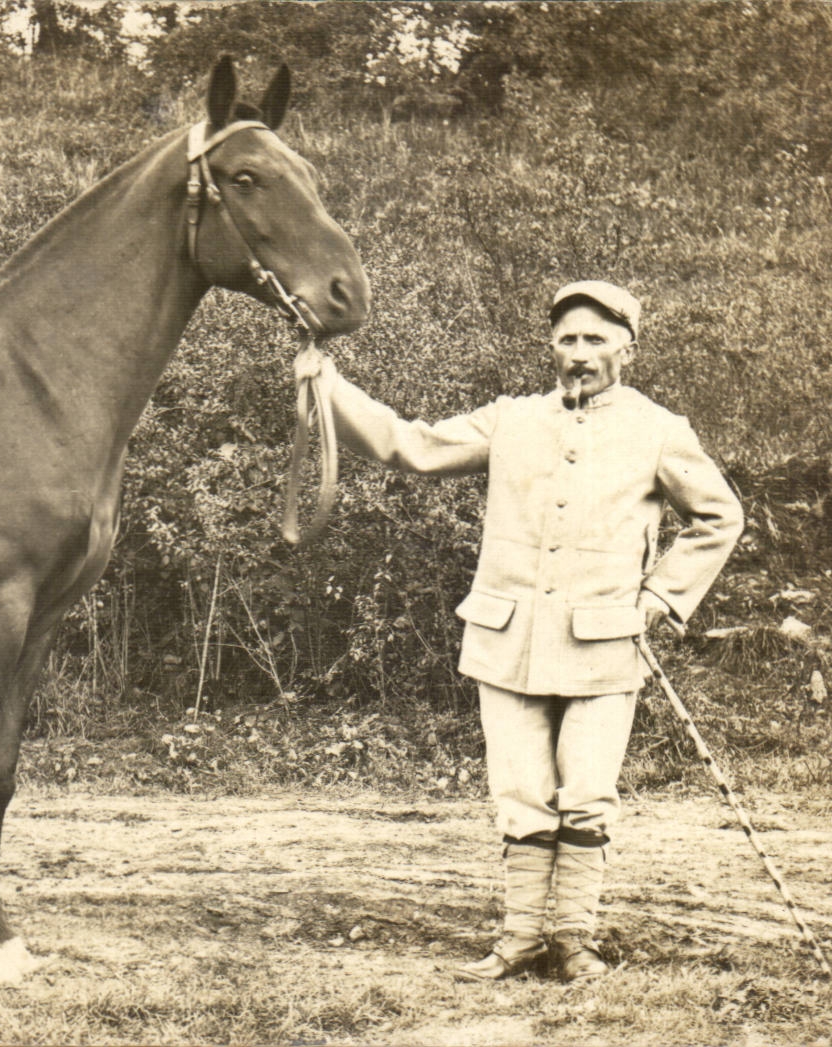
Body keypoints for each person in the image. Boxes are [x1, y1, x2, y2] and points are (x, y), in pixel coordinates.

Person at [297, 280, 744, 981]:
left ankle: (572, 939)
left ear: (627, 346)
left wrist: (658, 597)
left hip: (603, 643)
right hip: (505, 640)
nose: (578, 353)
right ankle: (517, 938)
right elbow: (408, 446)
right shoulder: (510, 419)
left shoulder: (660, 429)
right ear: (549, 347)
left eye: (595, 339)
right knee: (520, 793)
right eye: (566, 338)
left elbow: (719, 517)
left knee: (587, 793)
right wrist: (326, 383)